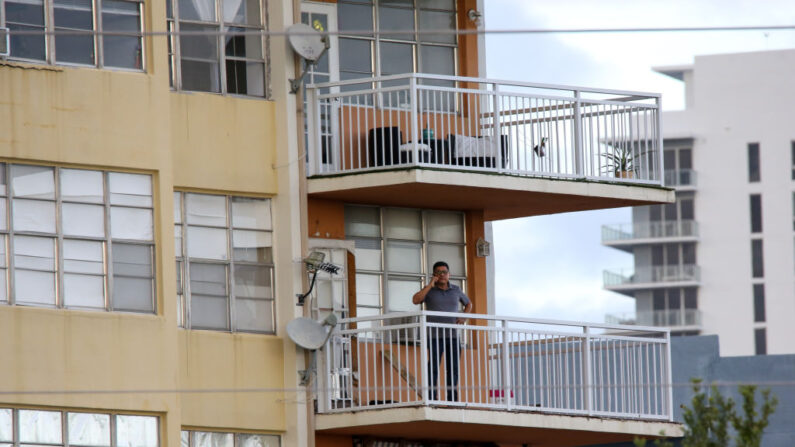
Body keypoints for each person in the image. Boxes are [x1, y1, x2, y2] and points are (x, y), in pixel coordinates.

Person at [412, 261, 473, 401]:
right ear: (434, 275)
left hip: (452, 336)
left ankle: (452, 399)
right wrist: (430, 285)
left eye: (444, 272)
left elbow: (469, 303)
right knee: (433, 367)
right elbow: (416, 300)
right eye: (438, 272)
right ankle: (432, 397)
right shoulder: (429, 290)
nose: (442, 275)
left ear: (449, 274)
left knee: (453, 369)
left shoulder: (456, 290)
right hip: (434, 336)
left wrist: (463, 317)